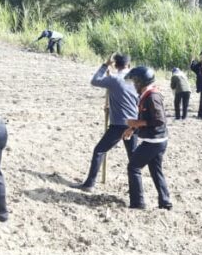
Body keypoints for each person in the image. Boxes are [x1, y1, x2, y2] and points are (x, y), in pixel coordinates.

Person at [70, 54, 137, 191]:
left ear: (115, 65)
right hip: (134, 124)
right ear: (129, 65)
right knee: (133, 157)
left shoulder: (114, 79)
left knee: (99, 151)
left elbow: (95, 81)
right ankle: (135, 189)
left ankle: (89, 184)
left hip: (119, 124)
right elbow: (130, 100)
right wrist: (111, 107)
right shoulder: (135, 81)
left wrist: (105, 65)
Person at [123, 66, 172, 210]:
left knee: (133, 167)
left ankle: (137, 203)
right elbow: (145, 117)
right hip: (158, 140)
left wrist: (136, 123)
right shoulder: (147, 94)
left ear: (141, 82)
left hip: (154, 141)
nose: (134, 85)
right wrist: (132, 128)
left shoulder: (152, 96)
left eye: (135, 82)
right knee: (156, 171)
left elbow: (159, 120)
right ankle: (165, 202)